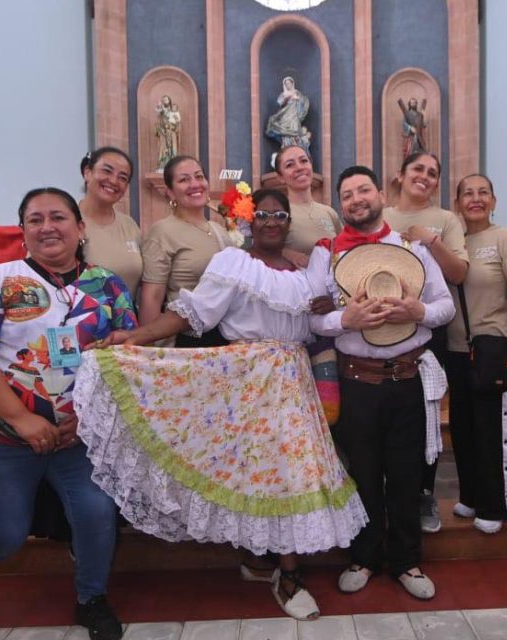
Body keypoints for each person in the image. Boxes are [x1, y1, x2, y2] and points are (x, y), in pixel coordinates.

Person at [77, 188, 366, 621]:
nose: (271, 221)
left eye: (279, 214)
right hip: (248, 381)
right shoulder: (233, 263)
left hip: (293, 382)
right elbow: (193, 314)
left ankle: (263, 563)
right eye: (263, 214)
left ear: (289, 222)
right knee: (261, 472)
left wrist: (323, 307)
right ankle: (286, 574)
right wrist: (132, 337)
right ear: (250, 220)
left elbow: (314, 326)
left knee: (283, 474)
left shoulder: (305, 273)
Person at [0, 187, 137, 640]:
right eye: (35, 219)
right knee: (5, 534)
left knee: (95, 517)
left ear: (80, 227)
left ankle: (91, 598)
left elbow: (126, 357)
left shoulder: (107, 286)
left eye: (58, 217)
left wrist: (88, 418)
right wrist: (21, 419)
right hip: (0, 437)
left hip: (77, 438)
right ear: (23, 231)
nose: (47, 227)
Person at [306, 165, 455, 600]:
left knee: (408, 474)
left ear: (379, 194)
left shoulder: (410, 246)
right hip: (356, 382)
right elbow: (313, 316)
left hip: (407, 377)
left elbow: (445, 305)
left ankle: (407, 561)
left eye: (363, 190)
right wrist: (344, 319)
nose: (356, 199)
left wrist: (418, 313)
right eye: (347, 193)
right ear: (340, 203)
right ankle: (364, 556)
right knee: (364, 475)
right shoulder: (326, 252)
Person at [383, 151, 468, 534]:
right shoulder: (380, 215)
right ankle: (385, 493)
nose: (425, 177)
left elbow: (458, 273)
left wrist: (429, 239)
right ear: (399, 175)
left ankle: (423, 492)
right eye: (418, 169)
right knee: (386, 417)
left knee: (425, 417)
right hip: (379, 332)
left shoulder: (446, 220)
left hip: (429, 330)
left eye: (433, 173)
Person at [446, 174, 507, 534]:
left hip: (490, 346)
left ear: (494, 201)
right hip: (453, 348)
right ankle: (470, 495)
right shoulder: (452, 240)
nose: (476, 199)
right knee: (463, 428)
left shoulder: (503, 238)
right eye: (468, 193)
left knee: (491, 430)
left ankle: (496, 505)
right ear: (458, 203)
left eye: (484, 192)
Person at [140, 154, 237, 347]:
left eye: (199, 176)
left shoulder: (219, 230)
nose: (195, 184)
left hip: (226, 337)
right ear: (170, 192)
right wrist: (150, 351)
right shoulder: (163, 231)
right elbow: (152, 296)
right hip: (187, 338)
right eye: (184, 180)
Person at [78, 147, 143, 298]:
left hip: (126, 319)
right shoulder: (65, 220)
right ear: (87, 172)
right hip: (77, 319)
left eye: (122, 178)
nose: (114, 181)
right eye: (107, 171)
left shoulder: (129, 225)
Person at [274, 144, 341, 265]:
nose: (299, 167)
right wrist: (287, 253)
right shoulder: (278, 214)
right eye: (290, 165)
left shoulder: (329, 212)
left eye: (304, 161)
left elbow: (345, 248)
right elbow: (264, 251)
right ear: (280, 177)